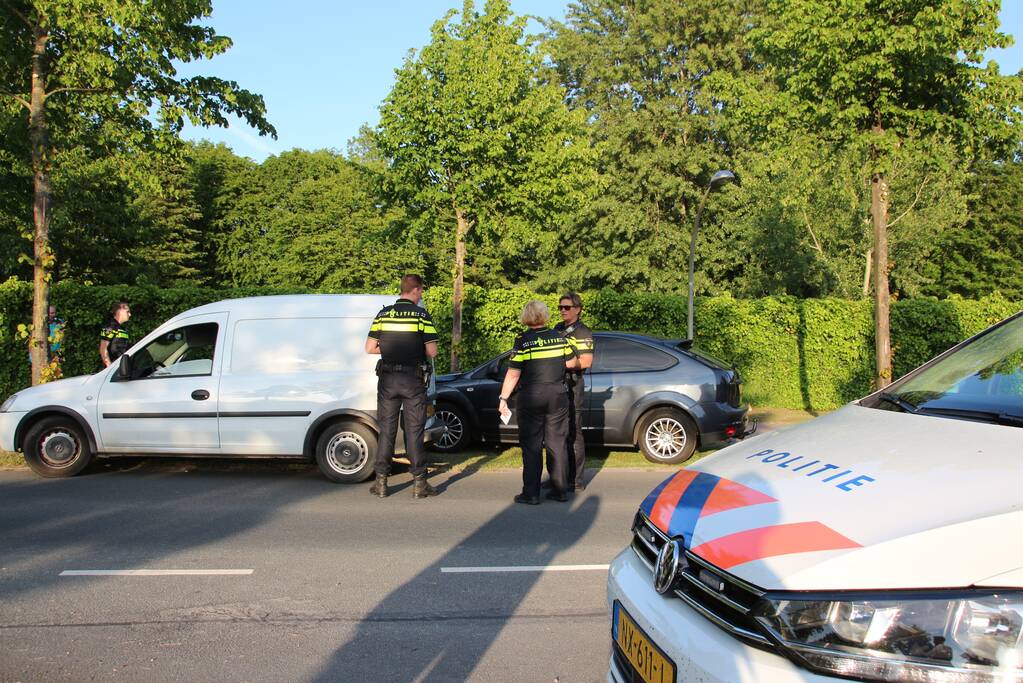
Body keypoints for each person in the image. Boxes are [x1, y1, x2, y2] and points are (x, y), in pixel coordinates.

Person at [365, 274, 439, 500]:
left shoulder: (383, 314)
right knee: (414, 430)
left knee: (386, 430)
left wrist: (388, 350)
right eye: (421, 291)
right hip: (413, 380)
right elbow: (432, 352)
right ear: (415, 290)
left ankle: (381, 484)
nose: (421, 295)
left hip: (387, 380)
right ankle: (419, 484)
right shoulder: (421, 315)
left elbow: (369, 348)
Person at [498, 300, 580, 505]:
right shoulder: (559, 337)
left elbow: (513, 373)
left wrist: (503, 398)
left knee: (532, 445)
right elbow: (572, 363)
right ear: (545, 316)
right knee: (557, 443)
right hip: (558, 395)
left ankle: (531, 493)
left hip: (532, 396)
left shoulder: (523, 340)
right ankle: (560, 490)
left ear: (526, 317)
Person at [552, 292, 595, 491]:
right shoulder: (557, 328)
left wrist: (563, 364)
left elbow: (586, 362)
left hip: (573, 386)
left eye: (566, 307)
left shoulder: (583, 332)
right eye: (560, 307)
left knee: (573, 434)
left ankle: (575, 480)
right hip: (555, 386)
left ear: (578, 309)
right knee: (554, 434)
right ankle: (556, 477)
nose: (562, 310)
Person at [99, 302, 132, 368]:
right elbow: (103, 348)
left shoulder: (121, 328)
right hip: (114, 369)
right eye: (127, 312)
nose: (130, 314)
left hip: (121, 367)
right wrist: (109, 367)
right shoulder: (110, 326)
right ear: (120, 311)